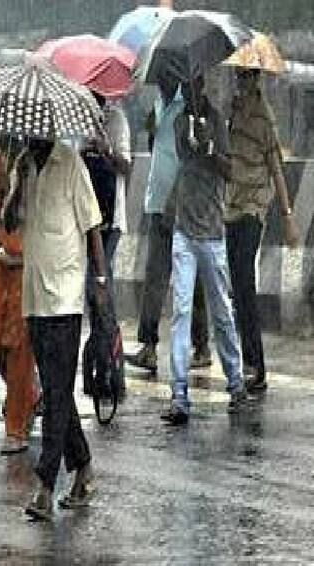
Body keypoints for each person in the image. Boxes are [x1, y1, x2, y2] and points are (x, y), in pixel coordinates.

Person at [8, 139, 106, 520]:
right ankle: (82, 467)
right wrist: (16, 182)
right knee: (55, 391)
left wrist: (99, 278)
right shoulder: (24, 167)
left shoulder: (70, 163)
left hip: (64, 295)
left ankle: (46, 485)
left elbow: (92, 225)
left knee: (56, 394)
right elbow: (8, 222)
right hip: (34, 297)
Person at [161, 75, 247, 426]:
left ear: (203, 87)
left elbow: (230, 170)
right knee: (181, 310)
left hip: (212, 231)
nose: (190, 93)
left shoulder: (219, 123)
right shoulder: (182, 121)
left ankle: (236, 382)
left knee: (222, 311)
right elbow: (183, 154)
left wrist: (211, 147)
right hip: (184, 229)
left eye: (194, 86)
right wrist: (192, 137)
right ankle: (179, 393)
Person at [126, 77, 211, 373]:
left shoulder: (189, 109)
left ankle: (201, 344)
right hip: (157, 202)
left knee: (193, 278)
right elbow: (157, 149)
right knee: (155, 277)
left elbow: (192, 160)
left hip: (182, 206)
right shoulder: (161, 105)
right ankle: (148, 346)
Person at [226, 67, 300, 394]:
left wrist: (287, 215)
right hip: (230, 206)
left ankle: (256, 365)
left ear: (257, 80)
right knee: (236, 287)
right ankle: (247, 361)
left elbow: (277, 170)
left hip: (254, 207)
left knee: (244, 284)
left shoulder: (264, 117)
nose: (243, 82)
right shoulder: (233, 111)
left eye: (248, 77)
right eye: (240, 76)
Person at [0, 135, 39, 454]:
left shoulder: (35, 168)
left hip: (24, 267)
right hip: (3, 264)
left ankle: (16, 426)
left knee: (19, 347)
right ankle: (29, 397)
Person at [81, 93, 131, 389]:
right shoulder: (81, 120)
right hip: (88, 219)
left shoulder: (117, 120)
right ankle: (101, 362)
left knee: (102, 289)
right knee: (92, 294)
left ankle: (113, 369)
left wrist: (105, 149)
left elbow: (126, 166)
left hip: (111, 221)